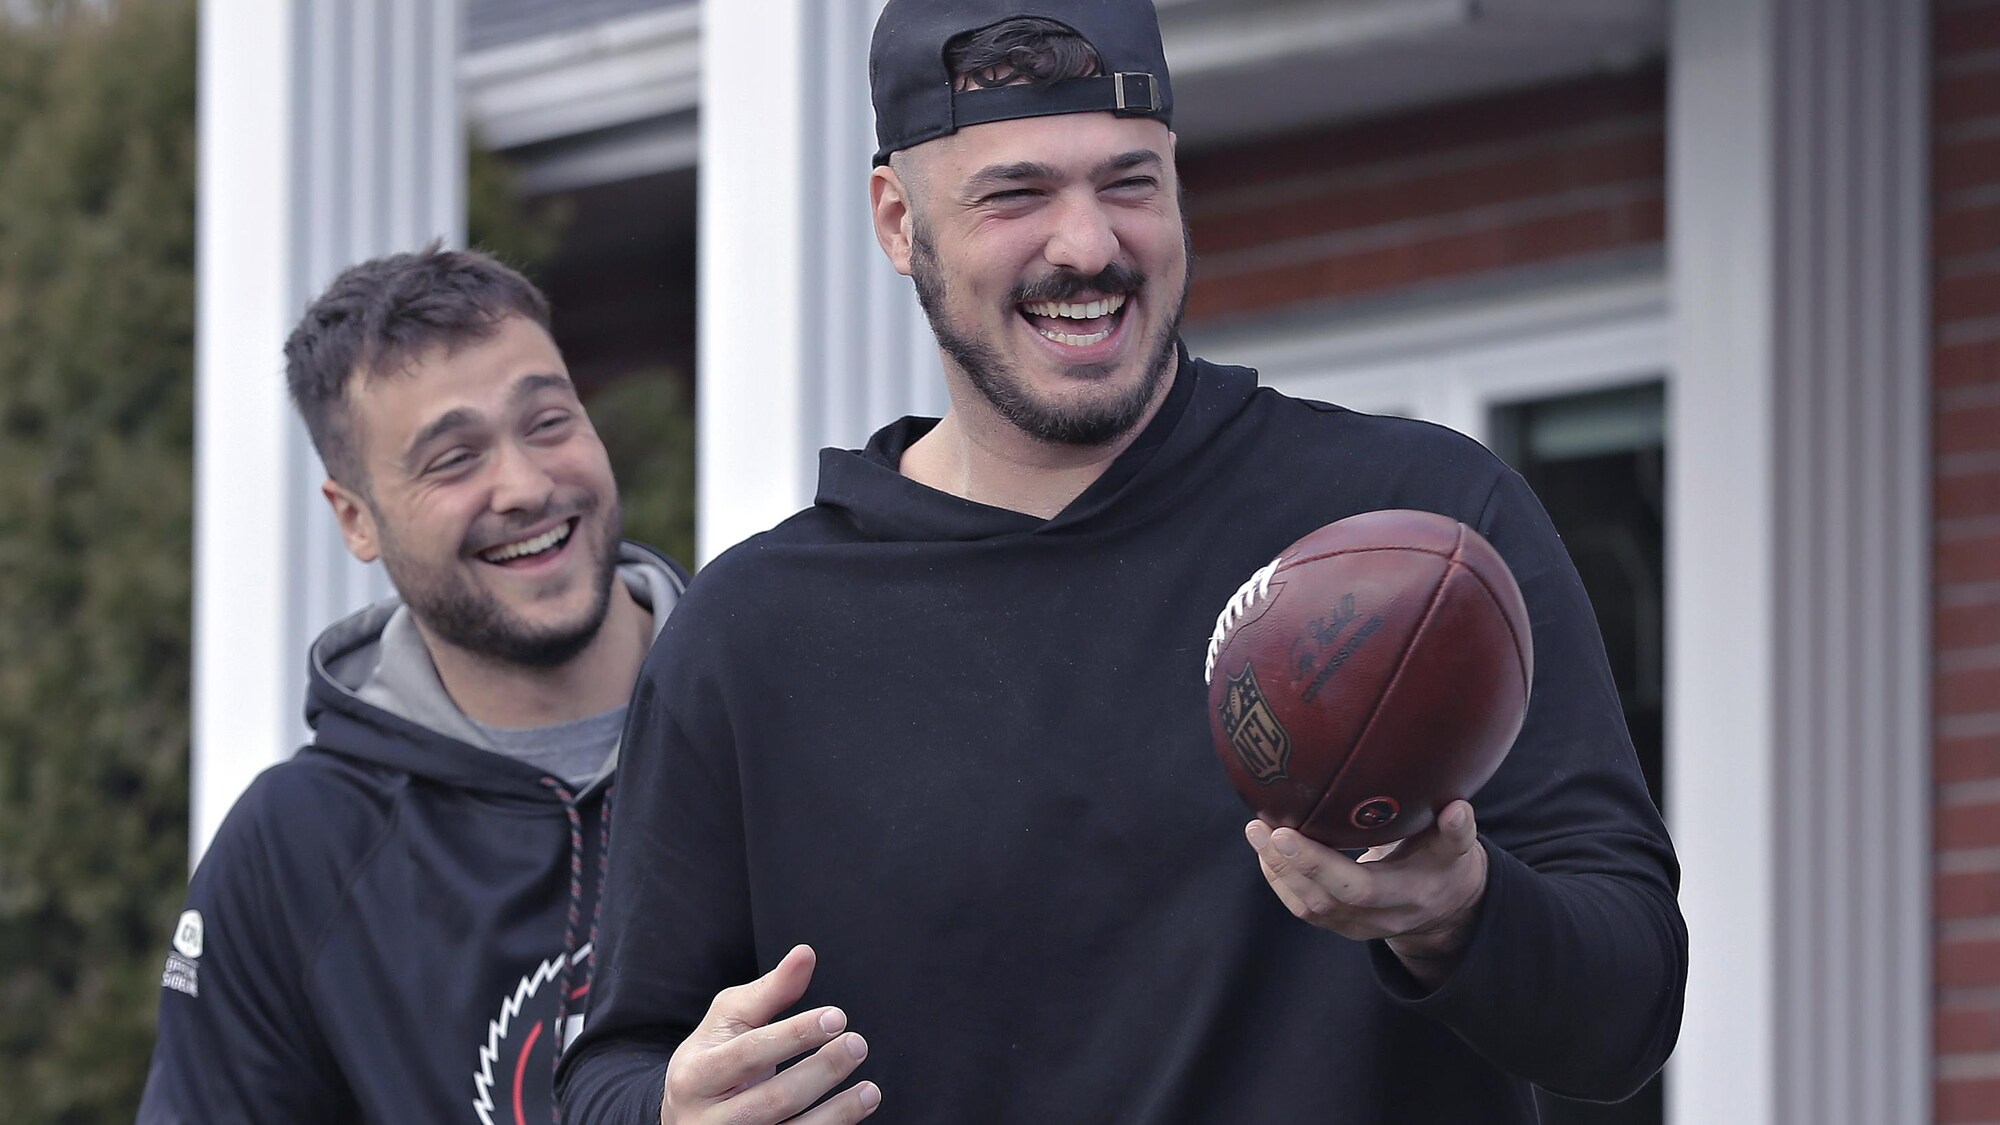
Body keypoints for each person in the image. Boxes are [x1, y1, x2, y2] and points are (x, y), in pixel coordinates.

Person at [558, 2, 1687, 1121]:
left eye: (1129, 182)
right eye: (1014, 192)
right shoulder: (756, 635)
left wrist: (1455, 912)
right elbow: (613, 1068)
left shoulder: (1417, 531)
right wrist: (674, 1110)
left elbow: (1628, 1011)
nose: (1088, 245)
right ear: (898, 223)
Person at [138, 245, 689, 1124]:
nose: (525, 485)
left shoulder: (776, 713)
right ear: (356, 518)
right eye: (453, 458)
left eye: (548, 421)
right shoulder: (296, 853)